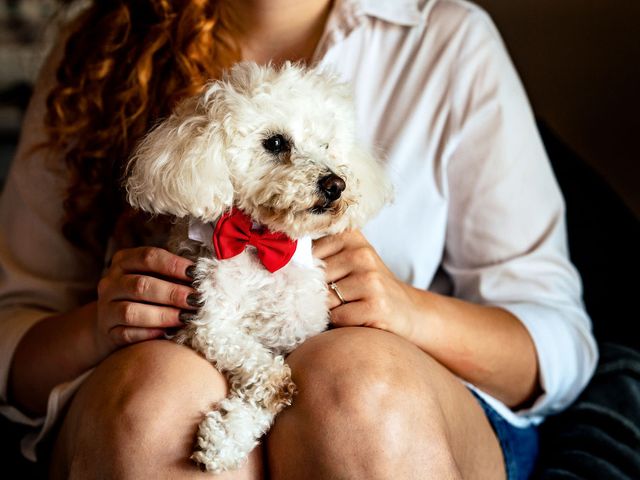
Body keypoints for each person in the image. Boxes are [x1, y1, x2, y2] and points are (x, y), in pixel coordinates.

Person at [0, 0, 598, 478]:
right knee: (160, 398)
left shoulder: (448, 39)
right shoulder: (99, 45)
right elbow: (12, 334)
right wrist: (98, 325)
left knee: (357, 384)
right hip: (157, 387)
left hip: (405, 414)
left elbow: (559, 345)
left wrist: (408, 312)